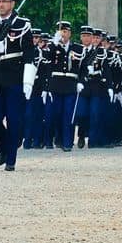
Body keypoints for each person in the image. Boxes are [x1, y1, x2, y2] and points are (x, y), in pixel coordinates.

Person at [0, 0, 34, 172]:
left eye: (5, 1)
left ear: (12, 4)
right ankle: (4, 148)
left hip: (14, 76)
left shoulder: (22, 24)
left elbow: (29, 54)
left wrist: (28, 81)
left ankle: (11, 159)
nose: (1, 4)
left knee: (14, 119)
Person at [44, 21, 83, 151]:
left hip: (71, 84)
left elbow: (81, 67)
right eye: (61, 32)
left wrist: (81, 81)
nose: (63, 34)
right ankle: (58, 139)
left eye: (65, 32)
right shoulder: (52, 47)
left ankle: (68, 142)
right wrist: (54, 44)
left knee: (68, 114)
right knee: (57, 114)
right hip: (56, 84)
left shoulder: (77, 48)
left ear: (70, 33)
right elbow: (47, 61)